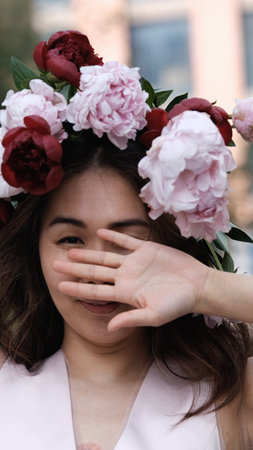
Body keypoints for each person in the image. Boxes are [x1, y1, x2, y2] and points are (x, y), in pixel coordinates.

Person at [0, 30, 252, 450]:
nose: (99, 267)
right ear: (35, 249)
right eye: (70, 240)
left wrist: (206, 287)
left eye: (127, 240)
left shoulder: (229, 395)